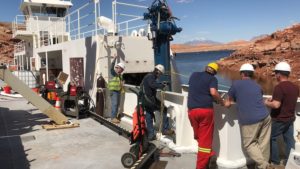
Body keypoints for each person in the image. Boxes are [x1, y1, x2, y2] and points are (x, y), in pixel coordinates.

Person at [223, 63, 271, 169]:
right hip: (265, 117)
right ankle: (264, 165)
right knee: (264, 143)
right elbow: (257, 97)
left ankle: (264, 165)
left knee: (249, 144)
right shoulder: (257, 85)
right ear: (251, 74)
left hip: (250, 119)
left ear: (242, 74)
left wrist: (222, 102)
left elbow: (227, 103)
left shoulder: (236, 84)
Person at [187, 62, 223, 169]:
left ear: (206, 68)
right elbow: (213, 92)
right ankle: (201, 166)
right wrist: (222, 101)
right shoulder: (213, 79)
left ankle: (210, 155)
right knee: (205, 143)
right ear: (214, 73)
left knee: (198, 136)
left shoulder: (193, 74)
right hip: (205, 112)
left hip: (192, 111)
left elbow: (196, 88)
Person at [264, 61, 299, 166]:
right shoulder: (295, 87)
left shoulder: (279, 87)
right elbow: (287, 99)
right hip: (290, 118)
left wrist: (266, 102)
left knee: (271, 138)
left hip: (279, 119)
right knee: (289, 141)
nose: (275, 75)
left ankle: (275, 161)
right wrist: (274, 98)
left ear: (279, 74)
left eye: (276, 73)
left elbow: (276, 105)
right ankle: (290, 161)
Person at [140, 64, 173, 141]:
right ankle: (165, 129)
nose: (160, 76)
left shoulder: (148, 76)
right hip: (150, 100)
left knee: (149, 115)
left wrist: (160, 84)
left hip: (145, 100)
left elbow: (150, 84)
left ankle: (151, 135)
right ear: (158, 71)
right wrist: (162, 86)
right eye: (160, 74)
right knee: (163, 108)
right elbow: (152, 85)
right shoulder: (151, 76)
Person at [108, 55, 125, 123]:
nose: (121, 70)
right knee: (114, 104)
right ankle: (113, 118)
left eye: (122, 69)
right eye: (120, 68)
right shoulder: (113, 73)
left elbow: (121, 84)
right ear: (118, 68)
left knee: (117, 104)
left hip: (118, 91)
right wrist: (114, 59)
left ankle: (115, 116)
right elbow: (111, 68)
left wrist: (122, 88)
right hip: (113, 91)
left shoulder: (120, 76)